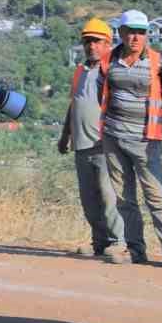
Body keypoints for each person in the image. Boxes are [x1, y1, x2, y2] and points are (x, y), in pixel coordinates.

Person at [98, 10, 162, 266]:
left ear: (147, 35)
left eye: (141, 32)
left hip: (146, 141)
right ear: (120, 33)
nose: (136, 37)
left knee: (155, 195)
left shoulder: (158, 62)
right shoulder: (107, 61)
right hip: (114, 137)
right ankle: (135, 249)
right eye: (131, 31)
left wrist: (158, 131)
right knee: (125, 198)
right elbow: (101, 94)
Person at [56, 18, 128, 258]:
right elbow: (73, 105)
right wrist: (65, 135)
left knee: (110, 197)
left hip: (104, 144)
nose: (92, 46)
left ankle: (118, 241)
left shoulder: (111, 71)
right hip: (82, 145)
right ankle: (99, 242)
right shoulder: (80, 71)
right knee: (89, 200)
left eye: (97, 41)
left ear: (108, 43)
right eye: (88, 41)